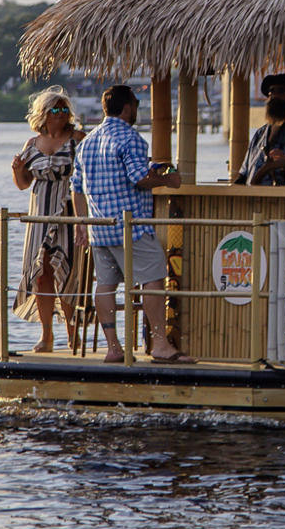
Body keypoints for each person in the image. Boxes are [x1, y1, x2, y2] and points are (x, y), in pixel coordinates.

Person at [74, 83, 183, 363]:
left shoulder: (86, 143)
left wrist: (82, 225)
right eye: (136, 103)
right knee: (153, 278)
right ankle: (160, 343)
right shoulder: (131, 138)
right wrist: (167, 179)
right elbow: (139, 178)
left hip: (100, 228)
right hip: (131, 228)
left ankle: (113, 348)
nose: (137, 108)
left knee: (106, 285)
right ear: (127, 107)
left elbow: (76, 188)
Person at [10, 87, 85, 353]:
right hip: (40, 215)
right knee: (42, 275)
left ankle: (72, 334)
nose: (62, 114)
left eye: (65, 110)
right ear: (44, 114)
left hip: (68, 213)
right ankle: (46, 336)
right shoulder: (32, 144)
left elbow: (88, 176)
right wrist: (17, 170)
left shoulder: (77, 139)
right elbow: (23, 184)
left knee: (68, 274)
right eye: (56, 110)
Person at [235, 93, 285, 185]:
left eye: (281, 91)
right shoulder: (260, 134)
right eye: (270, 93)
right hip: (252, 197)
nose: (273, 98)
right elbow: (243, 174)